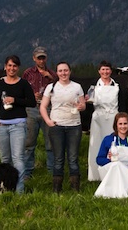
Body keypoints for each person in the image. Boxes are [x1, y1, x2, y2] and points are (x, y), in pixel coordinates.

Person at [0, 55, 36, 194]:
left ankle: (19, 190)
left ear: (18, 68)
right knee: (5, 159)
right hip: (2, 126)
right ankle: (5, 188)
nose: (12, 68)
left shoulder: (23, 84)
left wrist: (15, 100)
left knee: (18, 159)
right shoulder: (0, 83)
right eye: (9, 66)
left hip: (18, 124)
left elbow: (31, 102)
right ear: (5, 66)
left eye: (15, 66)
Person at [40, 62, 86, 193]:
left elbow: (83, 105)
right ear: (57, 72)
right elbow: (43, 106)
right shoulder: (51, 87)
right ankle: (56, 189)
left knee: (73, 158)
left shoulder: (77, 87)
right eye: (60, 71)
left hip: (74, 126)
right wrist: (48, 121)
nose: (63, 73)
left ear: (70, 71)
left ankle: (75, 189)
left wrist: (81, 107)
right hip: (57, 126)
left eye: (65, 70)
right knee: (58, 158)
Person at [94, 112, 128, 199]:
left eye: (125, 124)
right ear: (116, 125)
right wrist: (111, 160)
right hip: (110, 169)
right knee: (117, 165)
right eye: (120, 124)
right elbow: (99, 160)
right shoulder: (108, 139)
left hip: (127, 169)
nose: (123, 126)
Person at [22, 46, 57, 179]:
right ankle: (27, 172)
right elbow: (22, 89)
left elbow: (60, 88)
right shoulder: (28, 73)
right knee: (29, 142)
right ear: (34, 58)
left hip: (48, 109)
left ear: (46, 58)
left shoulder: (53, 74)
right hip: (32, 109)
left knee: (50, 142)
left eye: (43, 58)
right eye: (39, 58)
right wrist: (32, 95)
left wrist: (50, 78)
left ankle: (51, 171)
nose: (41, 61)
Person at [88, 61, 120, 181]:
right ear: (99, 71)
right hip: (98, 118)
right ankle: (95, 175)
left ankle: (113, 173)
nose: (105, 72)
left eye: (107, 69)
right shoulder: (94, 87)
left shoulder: (116, 86)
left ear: (111, 71)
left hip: (113, 117)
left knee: (113, 145)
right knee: (96, 144)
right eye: (103, 70)